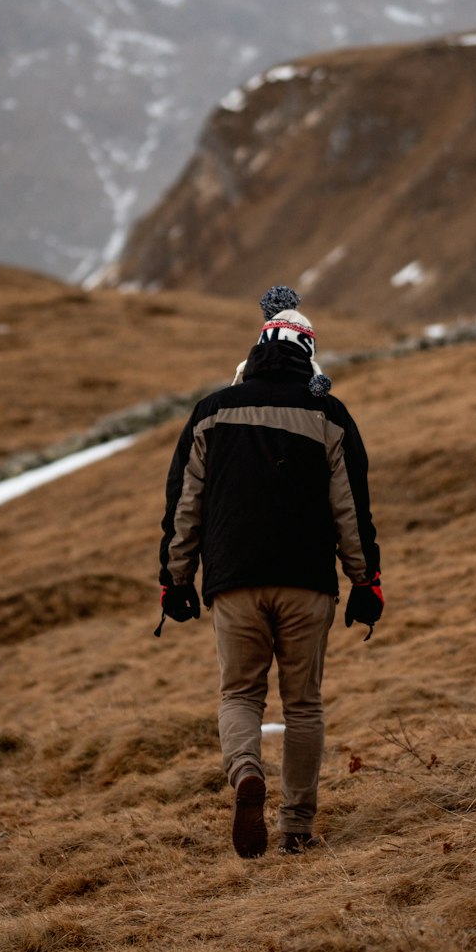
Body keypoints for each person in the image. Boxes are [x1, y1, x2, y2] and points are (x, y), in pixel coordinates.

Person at [156, 286, 383, 858]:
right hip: (308, 583)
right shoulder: (328, 414)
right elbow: (349, 507)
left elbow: (187, 503)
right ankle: (298, 829)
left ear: (256, 351)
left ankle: (246, 775)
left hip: (234, 581)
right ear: (309, 357)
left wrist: (176, 578)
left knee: (240, 695)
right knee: (303, 704)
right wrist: (365, 580)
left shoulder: (211, 411)